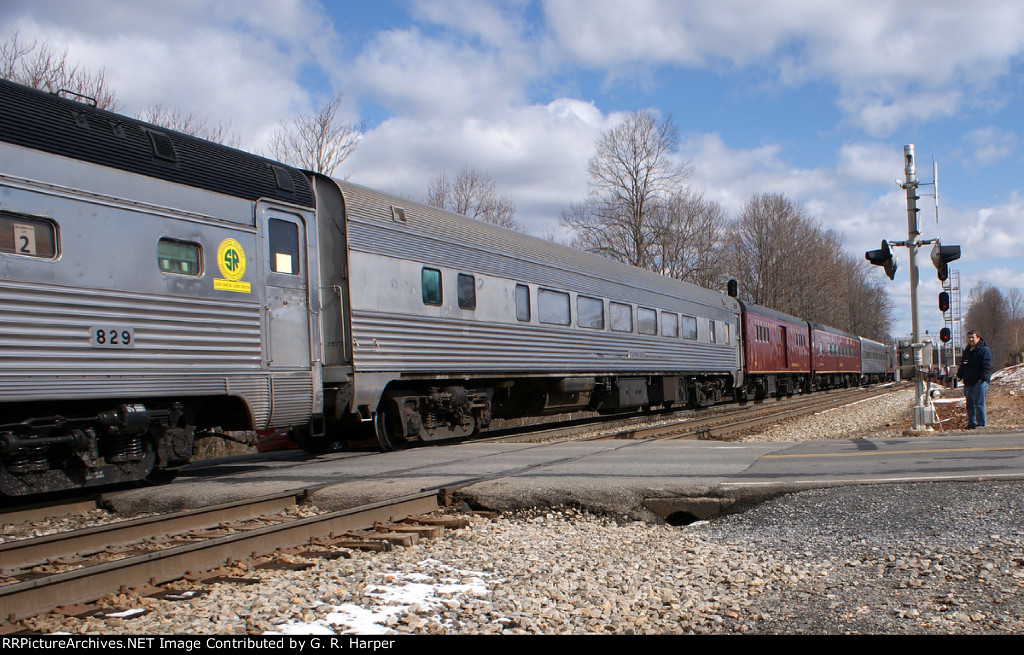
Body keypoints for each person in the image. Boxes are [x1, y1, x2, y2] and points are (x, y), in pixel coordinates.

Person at [956, 330, 993, 429]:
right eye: (969, 338)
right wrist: (960, 374)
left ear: (978, 338)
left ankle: (981, 424)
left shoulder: (984, 350)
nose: (971, 339)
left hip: (979, 383)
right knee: (970, 405)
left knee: (979, 404)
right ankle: (971, 423)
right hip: (968, 382)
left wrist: (982, 379)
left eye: (973, 337)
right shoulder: (967, 351)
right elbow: (963, 364)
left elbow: (987, 366)